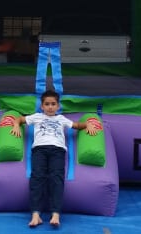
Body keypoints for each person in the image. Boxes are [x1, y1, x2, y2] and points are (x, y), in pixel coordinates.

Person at [8, 90, 101, 228]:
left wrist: (87, 124)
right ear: (42, 106)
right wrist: (16, 125)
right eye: (47, 104)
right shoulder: (37, 117)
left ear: (58, 106)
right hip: (39, 150)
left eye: (53, 104)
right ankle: (36, 215)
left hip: (58, 150)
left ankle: (55, 214)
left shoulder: (61, 119)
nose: (50, 107)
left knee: (56, 179)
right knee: (37, 178)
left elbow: (76, 125)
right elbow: (20, 119)